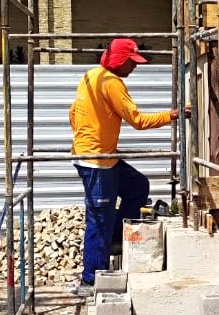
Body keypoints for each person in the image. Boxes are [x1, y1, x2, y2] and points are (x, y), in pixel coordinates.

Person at [68, 37, 187, 298]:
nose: (134, 68)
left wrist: (86, 136)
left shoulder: (90, 76)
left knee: (137, 185)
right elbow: (137, 120)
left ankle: (114, 239)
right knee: (99, 218)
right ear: (119, 61)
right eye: (131, 63)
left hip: (102, 155)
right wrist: (173, 115)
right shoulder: (112, 82)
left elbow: (72, 112)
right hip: (96, 161)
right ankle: (91, 280)